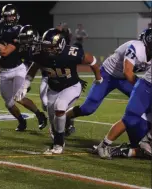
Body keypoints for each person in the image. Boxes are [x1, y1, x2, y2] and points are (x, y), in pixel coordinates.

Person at [15, 26, 102, 154]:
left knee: (60, 108)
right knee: (53, 119)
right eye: (46, 46)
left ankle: (59, 143)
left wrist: (98, 78)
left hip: (71, 86)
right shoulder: (40, 53)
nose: (47, 49)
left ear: (60, 44)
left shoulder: (71, 53)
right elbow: (33, 69)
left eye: (51, 46)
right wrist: (24, 86)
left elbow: (92, 60)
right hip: (53, 88)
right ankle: (58, 134)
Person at [66, 28, 152, 140]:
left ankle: (140, 139)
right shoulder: (136, 47)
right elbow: (127, 72)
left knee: (147, 105)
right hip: (108, 74)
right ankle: (65, 118)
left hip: (124, 79)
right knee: (88, 109)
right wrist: (140, 87)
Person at [0, 4, 47, 131]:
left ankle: (40, 115)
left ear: (16, 16)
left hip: (18, 68)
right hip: (4, 71)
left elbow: (5, 51)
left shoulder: (19, 30)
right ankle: (21, 122)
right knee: (9, 103)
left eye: (12, 16)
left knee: (19, 98)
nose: (10, 18)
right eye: (7, 16)